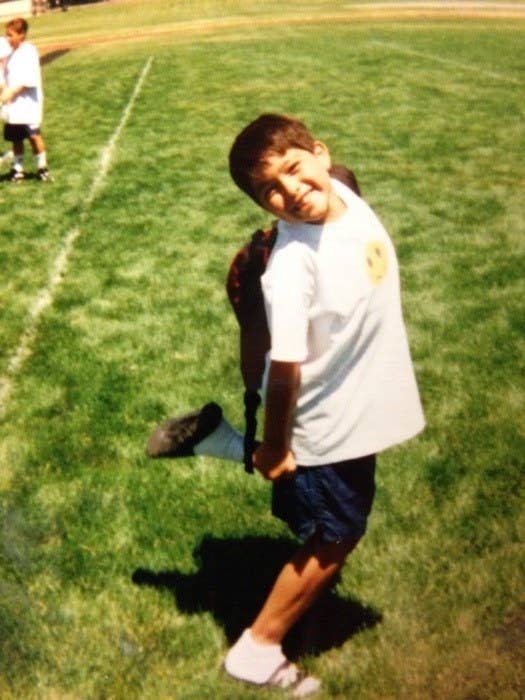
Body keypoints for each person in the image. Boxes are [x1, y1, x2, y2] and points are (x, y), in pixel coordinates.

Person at [150, 114, 425, 696]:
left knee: (325, 509)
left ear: (322, 156)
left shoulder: (342, 191)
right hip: (324, 424)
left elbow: (332, 184)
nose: (291, 190)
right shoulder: (294, 269)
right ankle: (257, 649)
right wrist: (276, 444)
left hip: (353, 409)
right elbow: (284, 370)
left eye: (296, 169)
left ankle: (218, 441)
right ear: (262, 203)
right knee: (335, 533)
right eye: (270, 190)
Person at [0, 17, 52, 182]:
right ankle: (18, 168)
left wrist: (11, 92)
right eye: (6, 35)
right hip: (13, 106)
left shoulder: (29, 51)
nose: (8, 38)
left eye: (11, 35)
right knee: (16, 138)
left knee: (34, 136)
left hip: (28, 104)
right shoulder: (8, 53)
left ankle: (42, 167)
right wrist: (4, 90)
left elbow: (28, 80)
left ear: (21, 35)